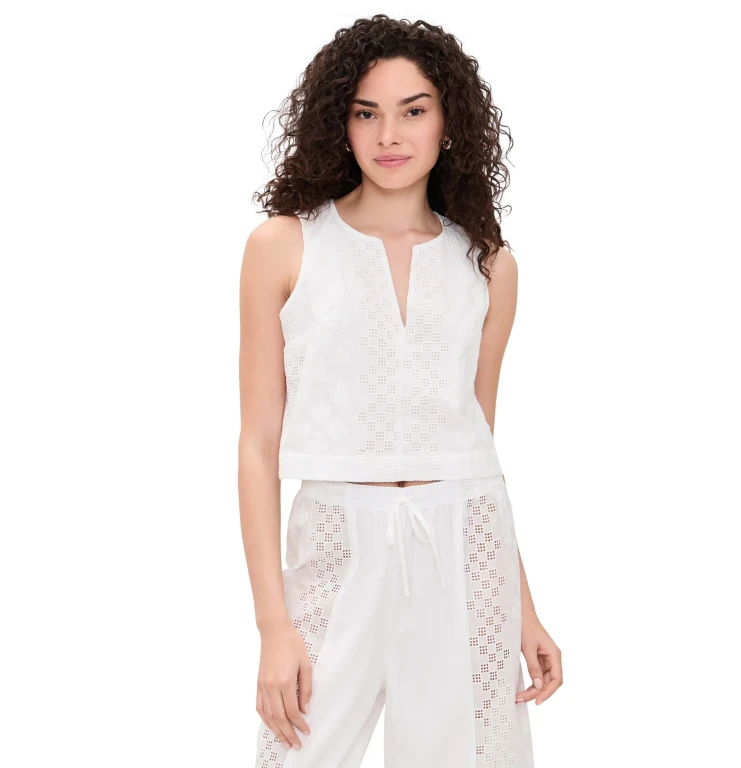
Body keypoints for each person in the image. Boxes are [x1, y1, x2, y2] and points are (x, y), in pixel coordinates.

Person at [239, 14, 562, 767]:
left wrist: (524, 609)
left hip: (466, 541)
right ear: (340, 123)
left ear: (449, 122)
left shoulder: (489, 264)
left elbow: (476, 444)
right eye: (366, 112)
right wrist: (272, 627)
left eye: (413, 110)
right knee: (297, 753)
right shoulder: (284, 246)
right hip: (336, 541)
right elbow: (257, 445)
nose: (390, 134)